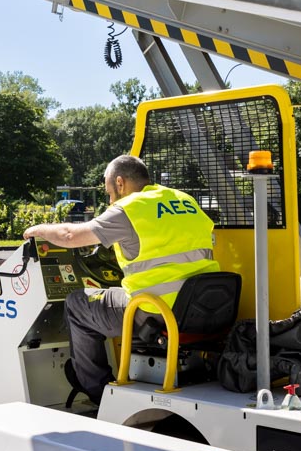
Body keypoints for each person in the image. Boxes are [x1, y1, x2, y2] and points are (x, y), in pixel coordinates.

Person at [23, 155, 218, 405]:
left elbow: (71, 236)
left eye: (109, 193)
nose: (110, 200)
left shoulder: (131, 209)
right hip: (202, 307)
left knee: (77, 303)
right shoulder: (185, 200)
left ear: (120, 182)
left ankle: (96, 388)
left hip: (155, 309)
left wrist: (38, 230)